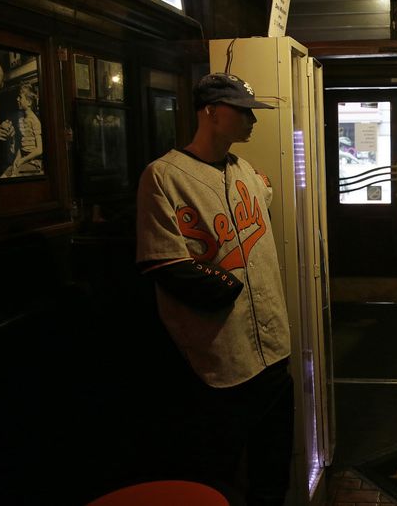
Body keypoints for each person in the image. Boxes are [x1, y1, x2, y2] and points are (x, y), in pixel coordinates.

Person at [135, 72, 293, 506]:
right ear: (211, 111)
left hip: (274, 350)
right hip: (221, 358)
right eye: (242, 111)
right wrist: (223, 286)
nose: (251, 121)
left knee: (273, 468)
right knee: (218, 476)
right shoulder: (164, 176)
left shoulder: (246, 172)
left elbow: (266, 199)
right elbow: (160, 260)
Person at [2, 82, 43, 177]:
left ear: (29, 102)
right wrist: (17, 159)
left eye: (20, 97)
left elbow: (40, 150)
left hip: (34, 162)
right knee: (5, 174)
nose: (17, 99)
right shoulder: (22, 119)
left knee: (13, 176)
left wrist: (22, 160)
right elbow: (22, 146)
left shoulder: (35, 121)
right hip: (23, 159)